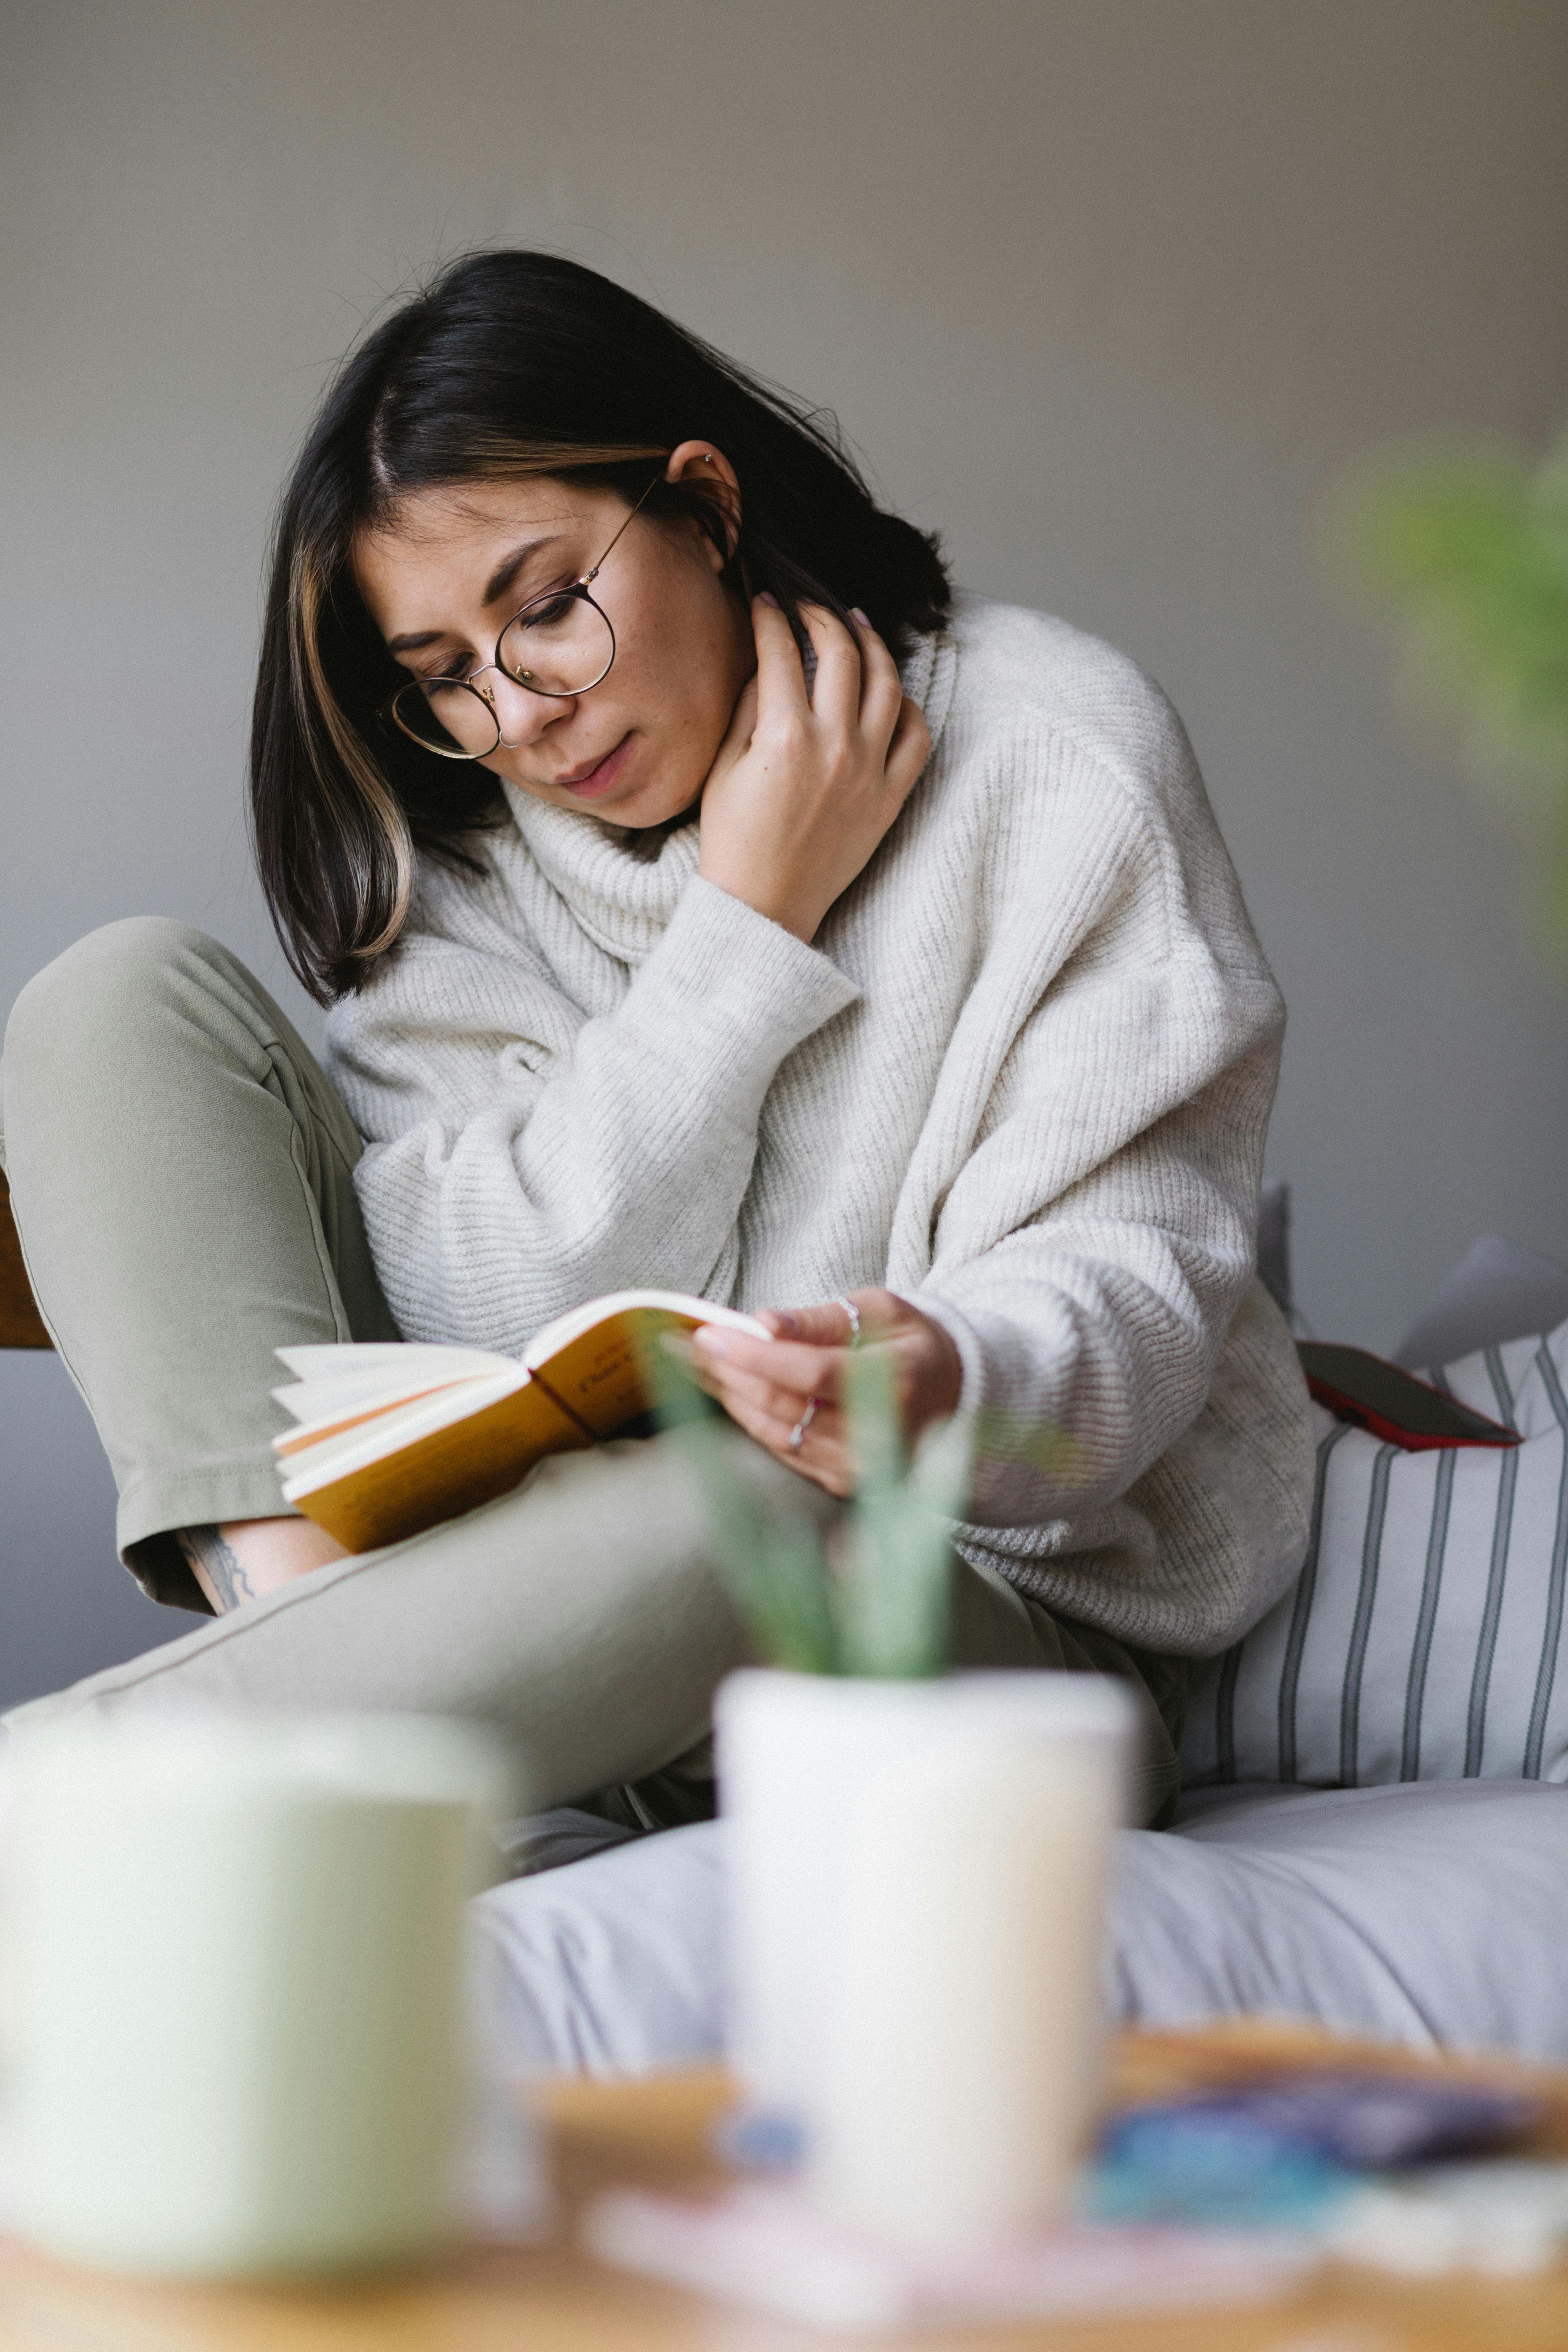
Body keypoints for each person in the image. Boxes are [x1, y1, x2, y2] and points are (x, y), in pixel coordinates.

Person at [0, 251, 1315, 1827]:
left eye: (547, 608)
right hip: (503, 1579)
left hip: (966, 1607)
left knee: (736, 1518)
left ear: (702, 504)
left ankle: (207, 1788)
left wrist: (947, 1374)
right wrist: (747, 931)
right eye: (445, 679)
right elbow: (463, 1317)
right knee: (115, 1001)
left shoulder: (1055, 755)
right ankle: (315, 1679)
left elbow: (1147, 1280)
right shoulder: (471, 848)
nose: (521, 713)